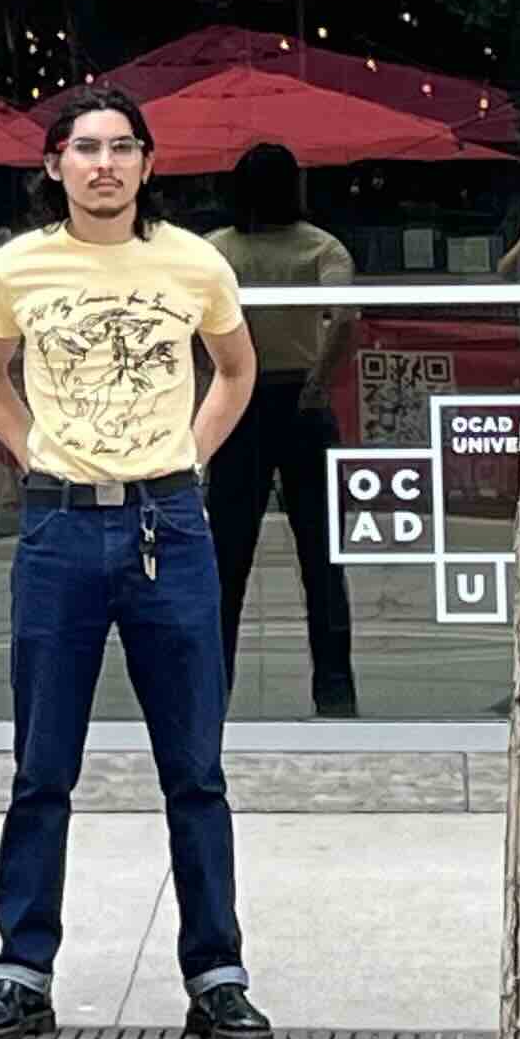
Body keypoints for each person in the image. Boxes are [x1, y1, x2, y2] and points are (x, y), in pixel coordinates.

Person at [0, 89, 273, 1039]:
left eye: (121, 148)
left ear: (145, 163)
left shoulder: (193, 262)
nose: (104, 164)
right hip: (59, 528)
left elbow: (238, 368)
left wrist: (192, 452)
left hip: (168, 525)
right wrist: (35, 450)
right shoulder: (17, 267)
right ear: (55, 165)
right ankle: (22, 972)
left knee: (196, 770)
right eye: (85, 148)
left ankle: (216, 973)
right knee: (42, 766)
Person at [198, 141, 360, 715]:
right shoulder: (321, 247)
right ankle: (334, 687)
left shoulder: (216, 251)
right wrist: (319, 381)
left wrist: (212, 379)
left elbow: (190, 322)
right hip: (301, 397)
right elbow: (345, 318)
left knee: (226, 557)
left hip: (238, 399)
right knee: (322, 553)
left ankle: (211, 688)